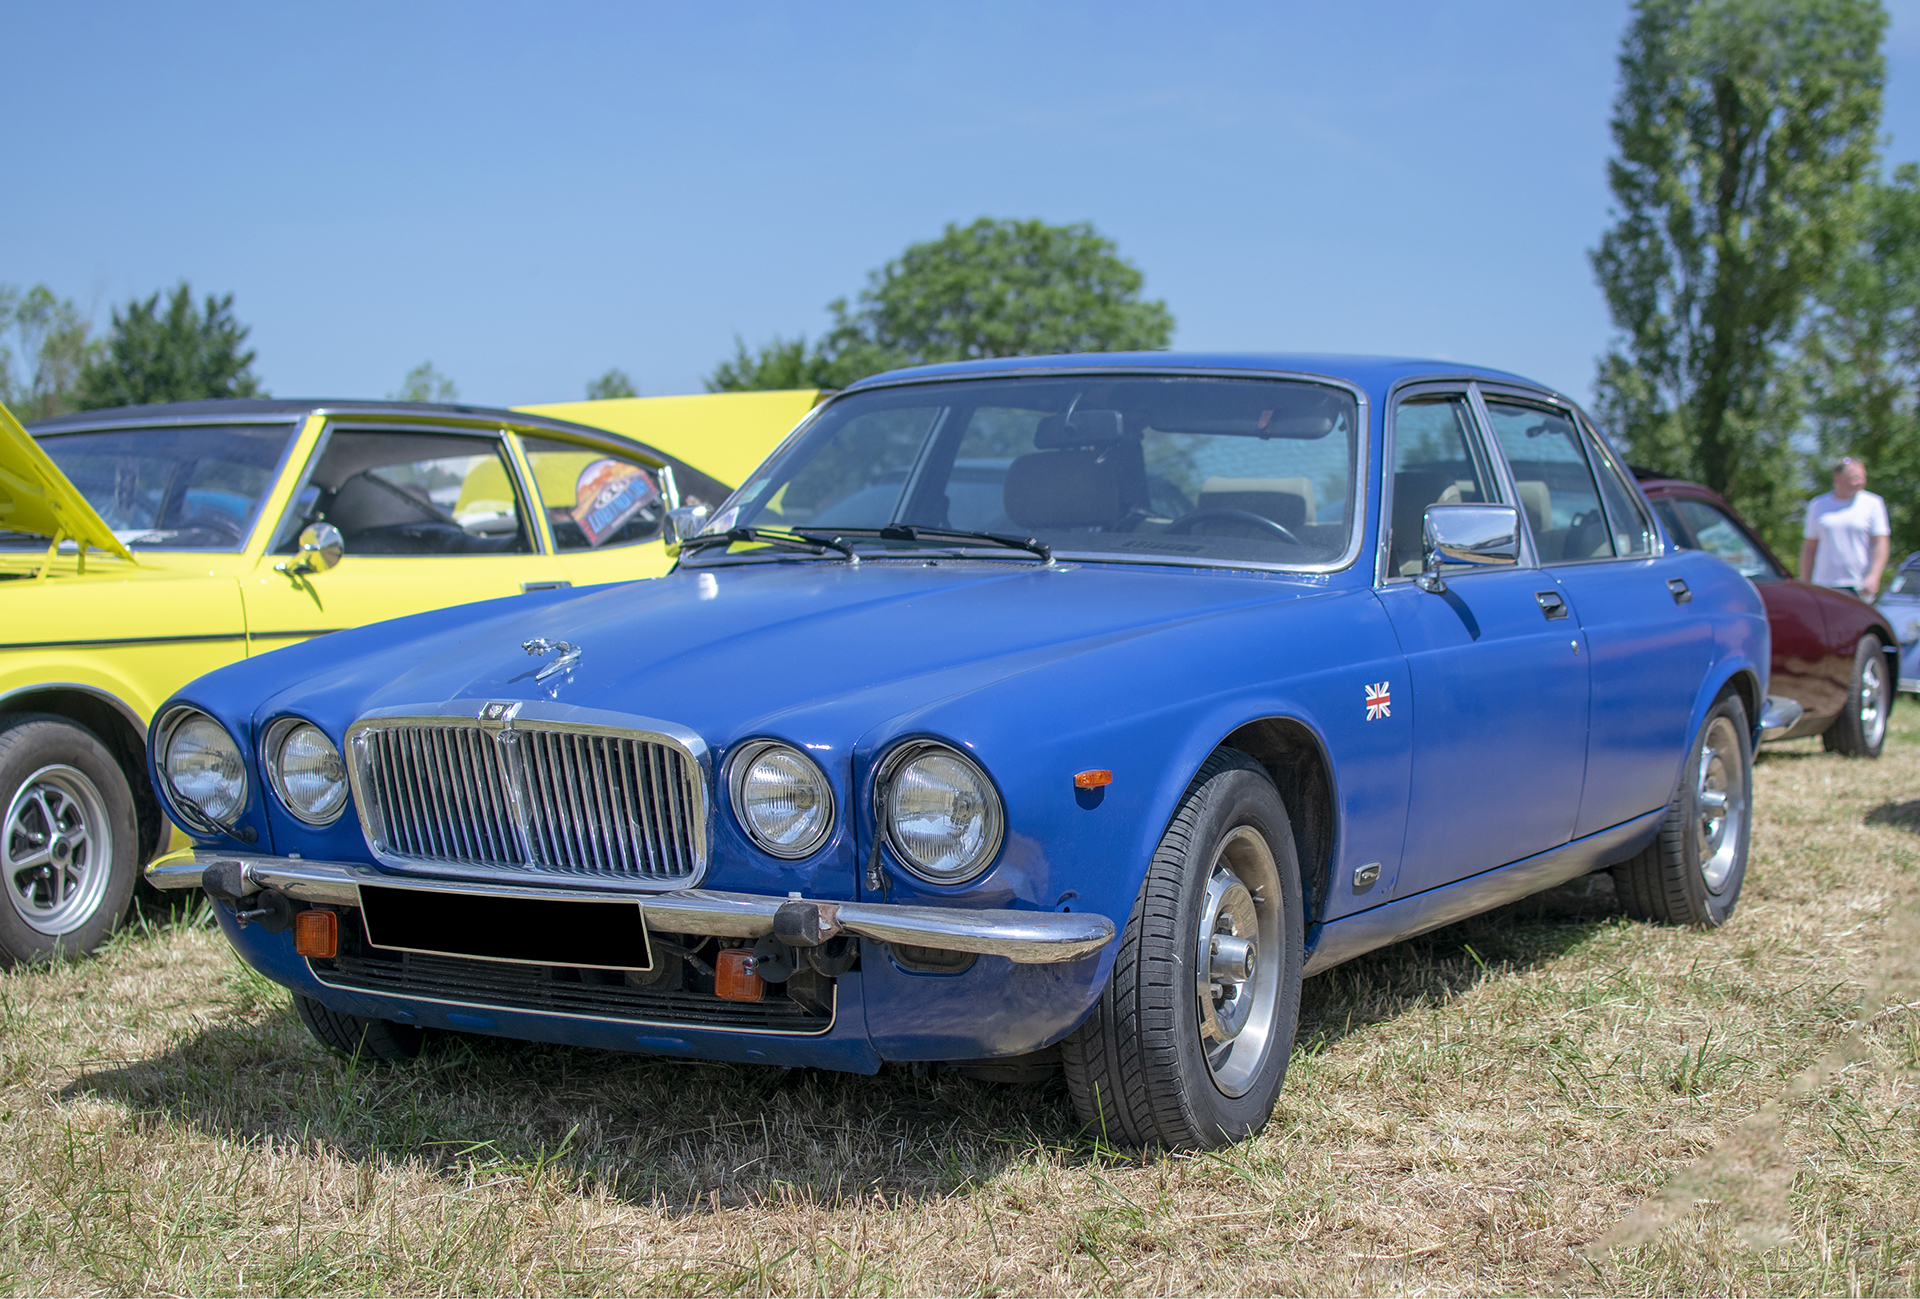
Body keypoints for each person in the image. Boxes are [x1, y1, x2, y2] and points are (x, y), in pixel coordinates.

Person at [1800, 455, 1890, 599]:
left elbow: (1881, 543)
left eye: (1863, 477)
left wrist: (1874, 576)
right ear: (1838, 478)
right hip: (1824, 584)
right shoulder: (1818, 505)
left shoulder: (1873, 504)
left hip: (1859, 585)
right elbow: (1810, 547)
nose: (1860, 482)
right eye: (1855, 478)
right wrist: (1805, 582)